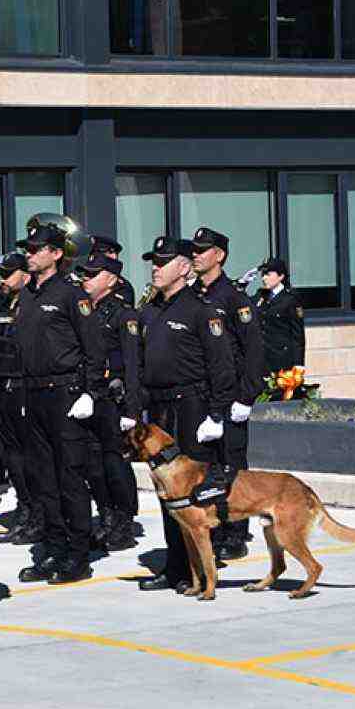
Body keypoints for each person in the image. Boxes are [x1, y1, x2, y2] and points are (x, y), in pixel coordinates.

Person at [136, 237, 238, 592]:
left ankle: (203, 566)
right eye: (153, 262)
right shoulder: (149, 311)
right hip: (160, 409)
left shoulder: (201, 309)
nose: (155, 268)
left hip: (192, 407)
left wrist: (216, 414)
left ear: (183, 267)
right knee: (167, 490)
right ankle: (176, 565)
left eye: (163, 262)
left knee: (193, 494)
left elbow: (222, 365)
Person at [14, 224, 107, 585]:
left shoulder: (71, 294)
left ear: (55, 253)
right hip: (34, 394)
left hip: (66, 394)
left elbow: (94, 347)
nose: (30, 254)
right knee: (43, 478)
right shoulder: (26, 295)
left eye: (37, 249)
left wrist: (90, 391)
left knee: (70, 476)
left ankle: (78, 554)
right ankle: (53, 545)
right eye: (28, 248)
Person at [190, 226, 266, 561]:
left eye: (202, 250)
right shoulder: (193, 296)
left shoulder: (235, 299)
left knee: (232, 466)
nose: (196, 255)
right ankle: (215, 525)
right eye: (193, 250)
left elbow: (253, 352)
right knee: (206, 468)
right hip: (201, 395)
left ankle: (236, 532)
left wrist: (246, 397)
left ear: (219, 255)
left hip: (232, 396)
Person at [75, 254, 143, 551]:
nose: (85, 279)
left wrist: (132, 409)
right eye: (85, 274)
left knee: (115, 463)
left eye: (92, 274)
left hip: (114, 401)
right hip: (92, 399)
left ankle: (123, 522)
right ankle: (105, 515)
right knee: (93, 464)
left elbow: (131, 364)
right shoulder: (87, 311)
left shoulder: (123, 315)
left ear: (112, 280)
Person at [0, 252, 41, 545]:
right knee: (11, 455)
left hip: (22, 387)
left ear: (25, 274)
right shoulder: (3, 304)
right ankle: (25, 507)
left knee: (28, 456)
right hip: (3, 386)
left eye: (9, 274)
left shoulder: (31, 305)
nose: (3, 281)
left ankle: (37, 513)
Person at [255, 257, 305, 375]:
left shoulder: (290, 299)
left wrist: (298, 364)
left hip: (282, 362)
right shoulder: (260, 296)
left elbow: (298, 336)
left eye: (268, 274)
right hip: (263, 361)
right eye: (262, 275)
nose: (263, 278)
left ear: (281, 276)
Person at [91, 235, 137, 307]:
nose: (114, 257)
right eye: (109, 252)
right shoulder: (84, 278)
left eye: (116, 253)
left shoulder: (122, 286)